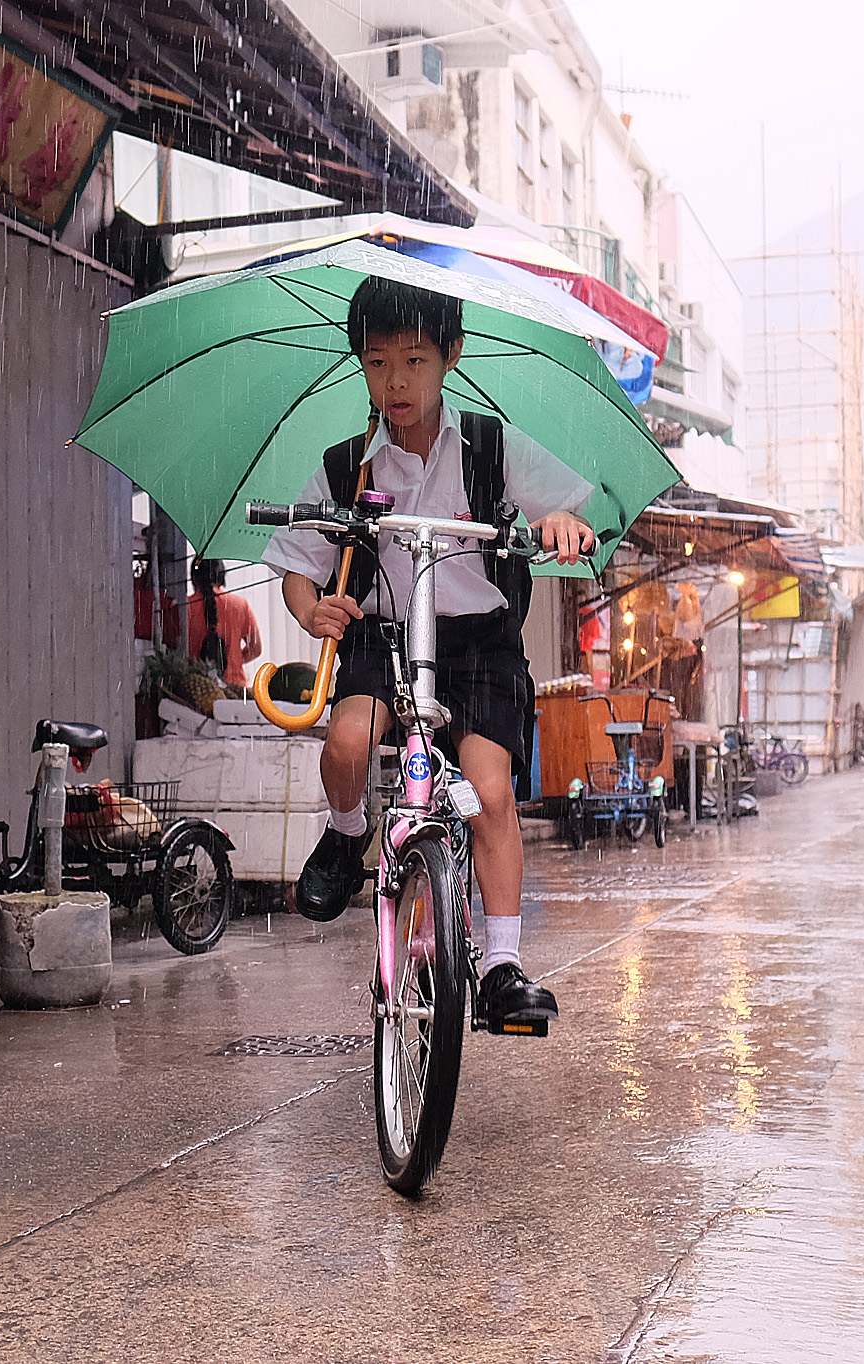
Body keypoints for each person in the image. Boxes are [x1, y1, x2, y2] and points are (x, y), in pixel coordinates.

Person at [262, 277, 595, 1030]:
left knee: (491, 792)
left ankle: (502, 965)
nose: (397, 381)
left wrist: (563, 527)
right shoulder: (349, 465)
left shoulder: (490, 447)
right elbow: (296, 565)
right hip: (382, 642)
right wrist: (310, 607)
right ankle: (349, 841)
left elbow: (564, 511)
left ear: (452, 355)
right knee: (346, 741)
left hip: (478, 646)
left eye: (414, 360)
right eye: (377, 363)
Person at [185, 558, 262, 688]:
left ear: (194, 578)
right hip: (234, 688)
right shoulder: (240, 605)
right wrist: (233, 660)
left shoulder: (185, 607)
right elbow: (255, 648)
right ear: (221, 576)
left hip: (197, 687)